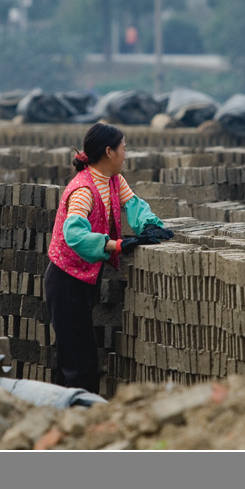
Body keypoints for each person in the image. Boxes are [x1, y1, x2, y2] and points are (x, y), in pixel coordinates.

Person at [44, 122, 174, 394]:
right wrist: (116, 244)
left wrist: (151, 226)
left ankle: (60, 408)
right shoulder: (84, 190)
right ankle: (80, 416)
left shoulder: (113, 180)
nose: (126, 154)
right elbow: (75, 235)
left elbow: (133, 206)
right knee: (80, 362)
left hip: (85, 277)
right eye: (124, 148)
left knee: (72, 353)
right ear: (109, 152)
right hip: (66, 280)